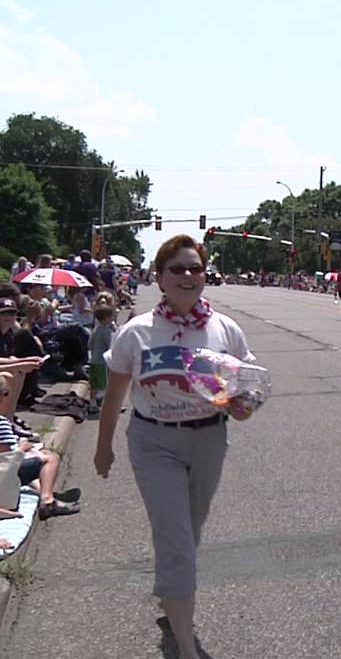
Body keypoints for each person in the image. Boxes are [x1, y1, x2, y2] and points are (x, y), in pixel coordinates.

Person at [95, 234, 257, 659]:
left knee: (190, 529)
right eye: (178, 269)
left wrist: (243, 406)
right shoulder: (137, 333)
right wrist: (103, 447)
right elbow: (114, 394)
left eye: (195, 268)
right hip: (154, 443)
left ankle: (170, 592)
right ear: (160, 278)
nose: (188, 276)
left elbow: (245, 387)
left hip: (208, 439)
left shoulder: (224, 329)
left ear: (205, 275)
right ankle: (187, 648)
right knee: (176, 538)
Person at [88, 303, 116, 416]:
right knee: (106, 385)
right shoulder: (106, 331)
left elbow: (89, 345)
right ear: (106, 318)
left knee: (94, 384)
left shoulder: (96, 329)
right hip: (103, 362)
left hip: (94, 360)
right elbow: (111, 346)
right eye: (111, 317)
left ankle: (92, 404)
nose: (112, 319)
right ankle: (108, 406)